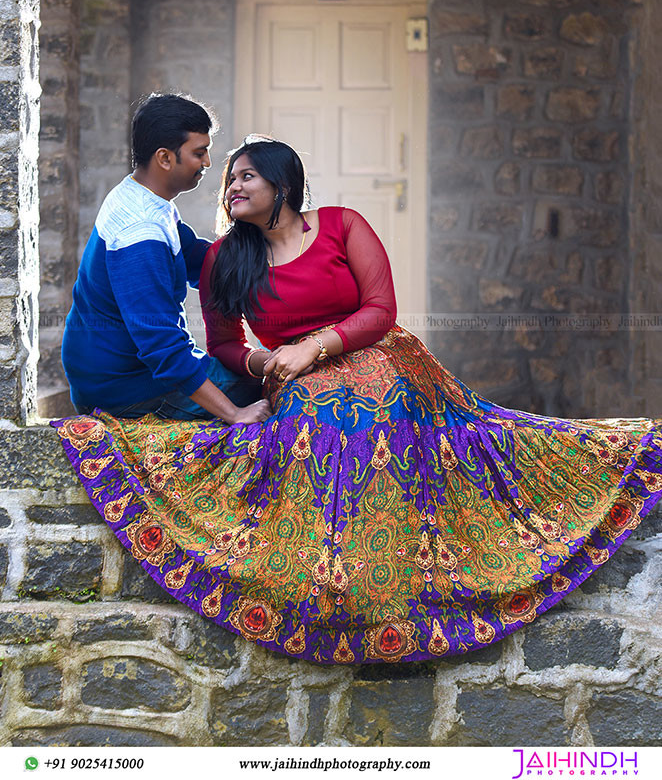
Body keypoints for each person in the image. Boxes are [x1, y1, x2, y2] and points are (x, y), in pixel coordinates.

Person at [54, 137, 662, 666]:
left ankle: (415, 577)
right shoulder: (223, 257)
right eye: (225, 178)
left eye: (245, 175)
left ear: (282, 182)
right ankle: (338, 584)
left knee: (390, 411)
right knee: (317, 428)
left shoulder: (343, 225)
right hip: (296, 376)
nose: (230, 186)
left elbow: (380, 310)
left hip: (376, 353)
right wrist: (267, 362)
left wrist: (317, 345)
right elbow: (222, 344)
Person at [60, 93, 269, 425]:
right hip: (122, 386)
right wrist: (235, 413)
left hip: (128, 370)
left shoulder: (145, 199)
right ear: (165, 158)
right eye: (199, 153)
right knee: (259, 391)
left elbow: (199, 260)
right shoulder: (140, 231)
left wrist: (275, 257)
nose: (208, 164)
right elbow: (162, 347)